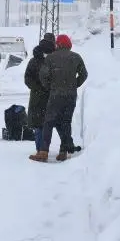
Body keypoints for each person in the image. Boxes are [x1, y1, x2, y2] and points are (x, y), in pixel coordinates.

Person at [29, 34, 88, 162]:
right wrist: (74, 84)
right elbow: (84, 74)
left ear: (58, 44)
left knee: (48, 122)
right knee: (66, 122)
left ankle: (43, 152)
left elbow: (43, 76)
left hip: (55, 95)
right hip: (71, 96)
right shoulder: (76, 57)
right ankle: (63, 151)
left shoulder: (51, 58)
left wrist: (50, 86)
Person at [24, 39, 55, 152]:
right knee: (38, 125)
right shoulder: (34, 61)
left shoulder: (53, 61)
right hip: (38, 97)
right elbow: (27, 78)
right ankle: (40, 149)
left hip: (50, 97)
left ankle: (44, 149)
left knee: (47, 124)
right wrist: (38, 88)